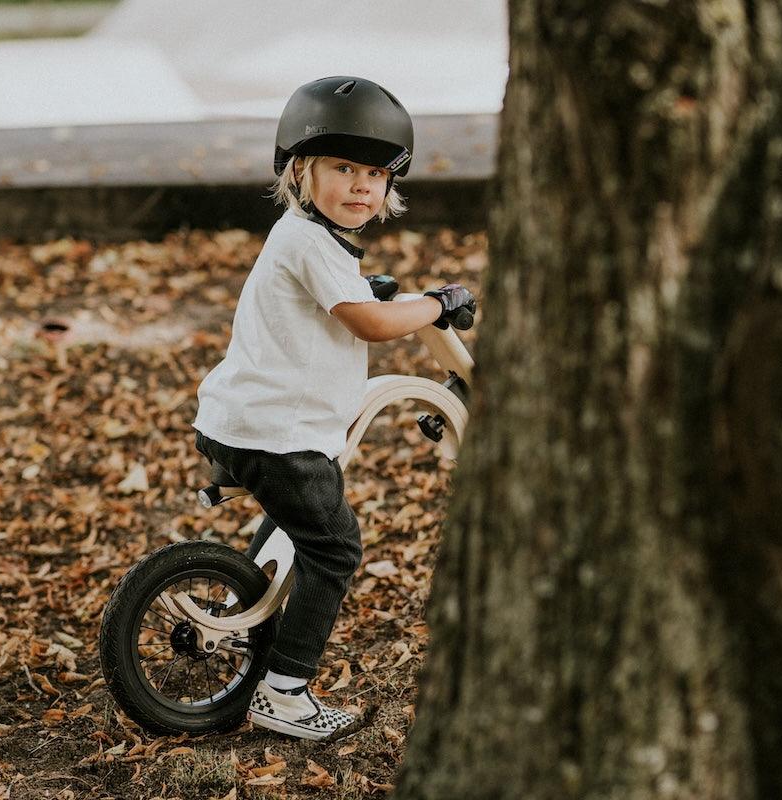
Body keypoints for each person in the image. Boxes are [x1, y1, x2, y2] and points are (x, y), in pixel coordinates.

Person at [192, 76, 476, 741]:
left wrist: (373, 293)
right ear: (299, 171)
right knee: (337, 547)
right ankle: (285, 691)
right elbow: (371, 325)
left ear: (388, 188)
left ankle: (246, 614)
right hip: (278, 433)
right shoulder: (309, 243)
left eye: (373, 174)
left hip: (249, 421)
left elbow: (346, 301)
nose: (358, 186)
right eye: (341, 168)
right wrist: (435, 304)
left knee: (298, 520)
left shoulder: (310, 241)